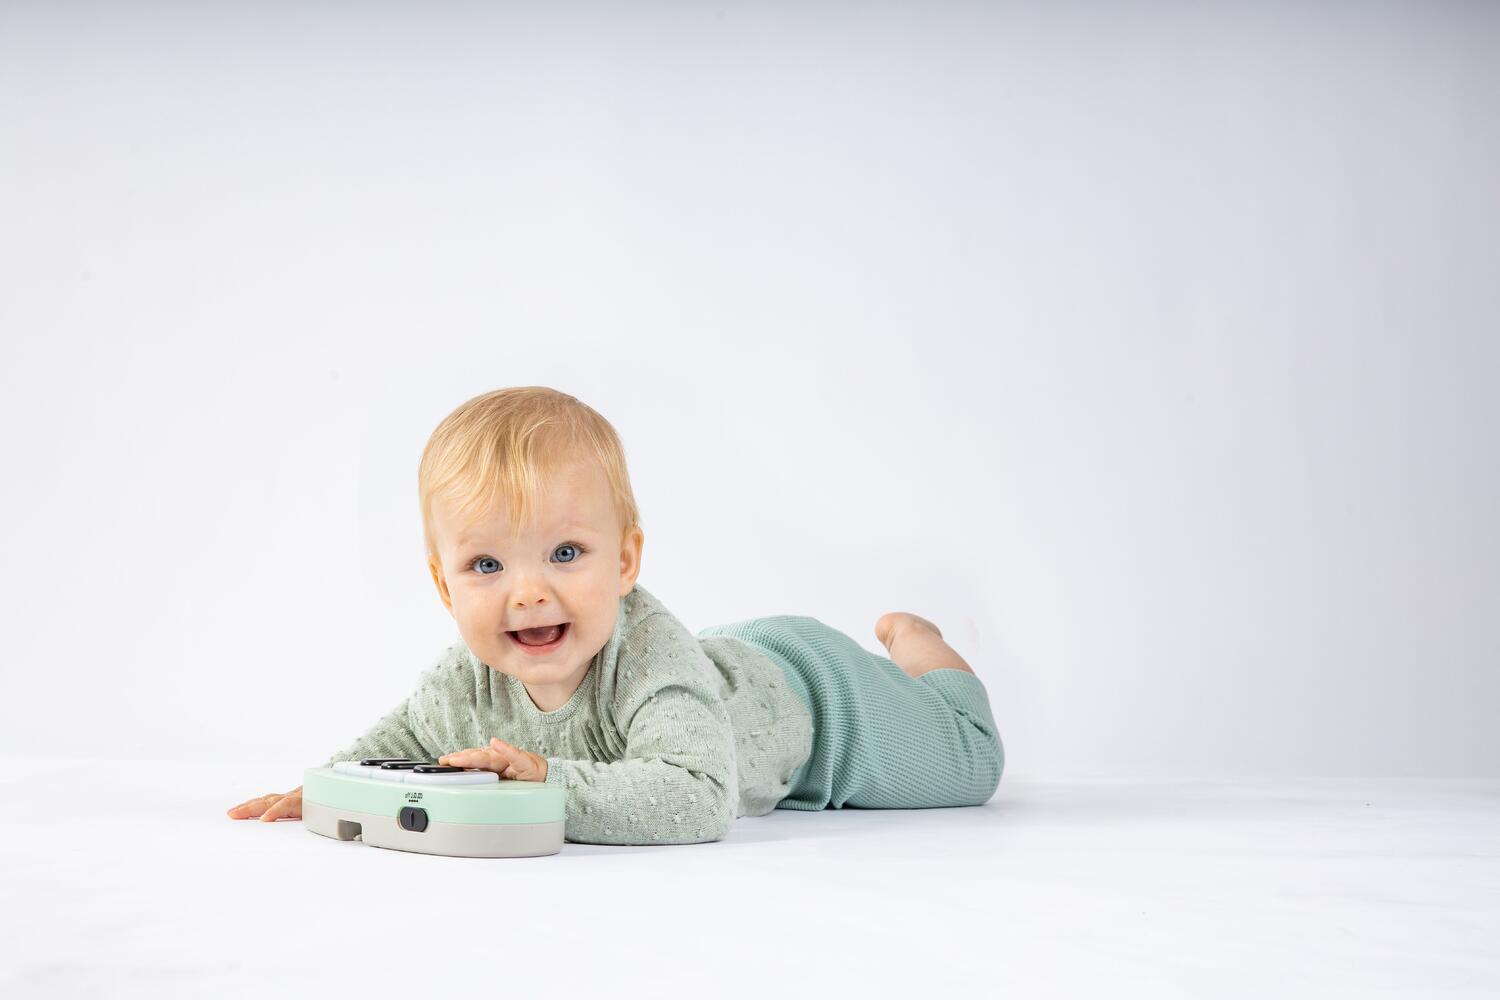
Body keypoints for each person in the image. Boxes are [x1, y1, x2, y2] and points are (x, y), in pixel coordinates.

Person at [226, 386, 1004, 845]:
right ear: (444, 586)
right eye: (488, 566)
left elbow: (699, 797)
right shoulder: (464, 678)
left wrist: (548, 783)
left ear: (625, 562)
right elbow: (404, 739)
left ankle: (919, 644)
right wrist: (331, 787)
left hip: (823, 702)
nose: (528, 594)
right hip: (720, 665)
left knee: (972, 759)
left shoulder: (650, 664)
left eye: (565, 553)